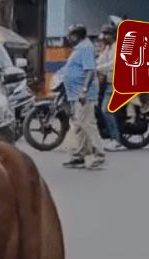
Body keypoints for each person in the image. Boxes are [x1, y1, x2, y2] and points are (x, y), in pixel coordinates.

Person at [60, 24, 105, 170]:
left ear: (78, 35)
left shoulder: (86, 48)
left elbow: (90, 70)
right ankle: (79, 155)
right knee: (79, 125)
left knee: (87, 124)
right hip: (75, 93)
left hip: (83, 94)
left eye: (71, 35)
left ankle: (99, 155)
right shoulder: (80, 48)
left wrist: (84, 90)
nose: (68, 38)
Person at [95, 23, 123, 151]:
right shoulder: (107, 48)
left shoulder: (118, 47)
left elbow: (114, 64)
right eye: (103, 34)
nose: (103, 36)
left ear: (112, 35)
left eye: (106, 34)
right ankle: (105, 134)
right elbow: (100, 60)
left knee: (106, 110)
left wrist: (97, 68)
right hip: (106, 83)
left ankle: (116, 140)